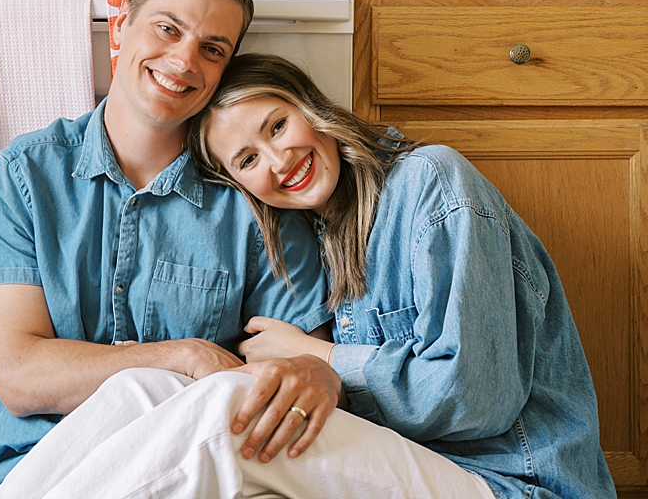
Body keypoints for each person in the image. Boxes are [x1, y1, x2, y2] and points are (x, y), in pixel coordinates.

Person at [0, 0, 339, 499]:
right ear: (122, 23)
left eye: (212, 49)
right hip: (28, 480)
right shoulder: (24, 178)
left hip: (183, 479)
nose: (183, 60)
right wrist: (181, 356)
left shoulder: (252, 195)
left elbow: (297, 360)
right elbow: (19, 375)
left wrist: (319, 373)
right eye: (167, 29)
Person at [182, 52, 617, 499]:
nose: (279, 160)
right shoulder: (310, 243)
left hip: (515, 482)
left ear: (311, 107)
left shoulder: (432, 183)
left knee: (233, 433)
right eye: (248, 160)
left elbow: (479, 399)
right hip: (425, 471)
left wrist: (324, 359)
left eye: (277, 126)